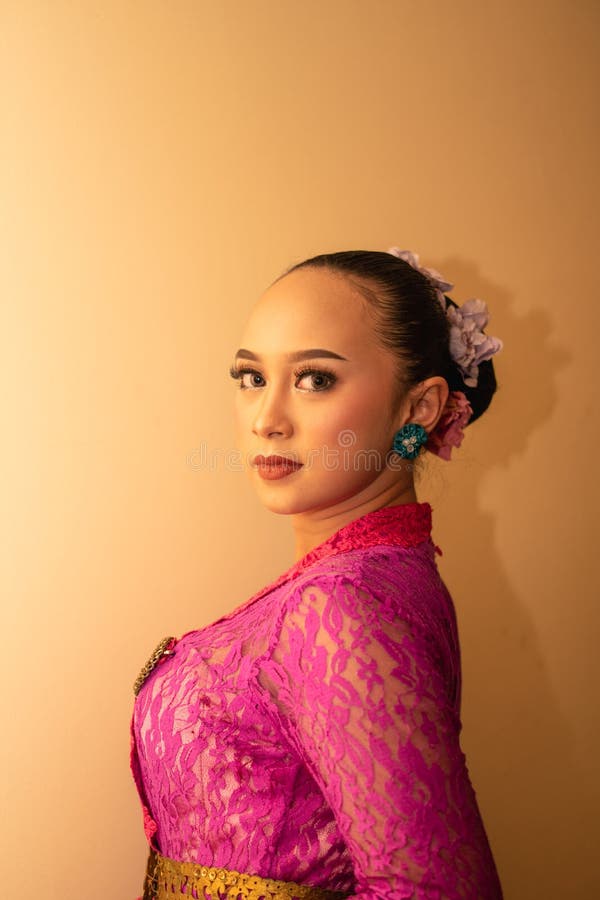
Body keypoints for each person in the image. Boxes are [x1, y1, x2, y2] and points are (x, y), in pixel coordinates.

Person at [129, 247, 504, 899]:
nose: (266, 420)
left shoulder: (344, 603)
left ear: (418, 409)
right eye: (250, 377)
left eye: (315, 380)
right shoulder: (367, 577)